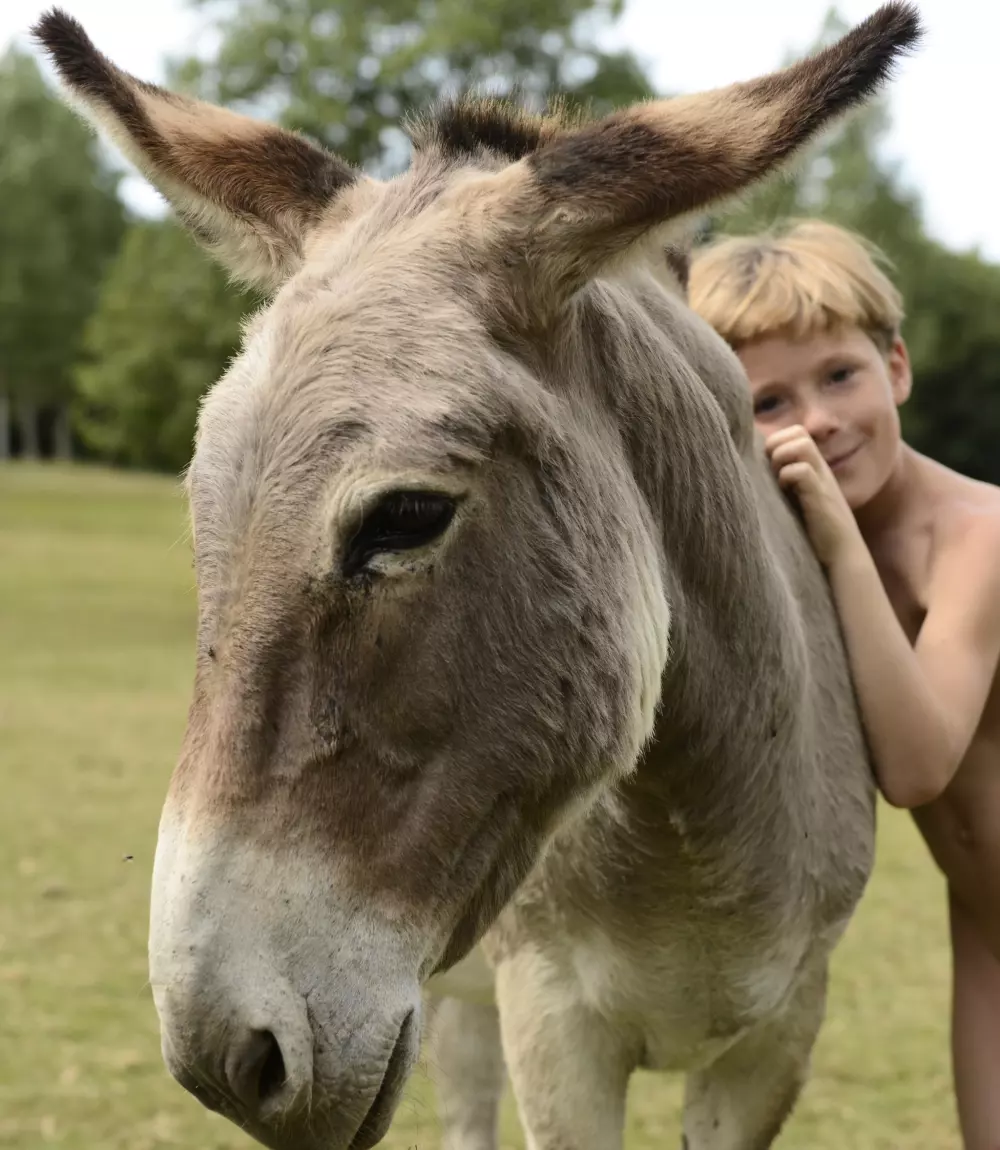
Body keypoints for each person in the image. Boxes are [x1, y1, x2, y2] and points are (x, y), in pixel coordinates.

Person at [688, 218, 1000, 1148]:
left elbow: (917, 769)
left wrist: (833, 537)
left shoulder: (978, 539)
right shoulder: (791, 554)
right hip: (986, 932)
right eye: (769, 402)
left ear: (896, 368)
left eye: (839, 377)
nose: (818, 420)